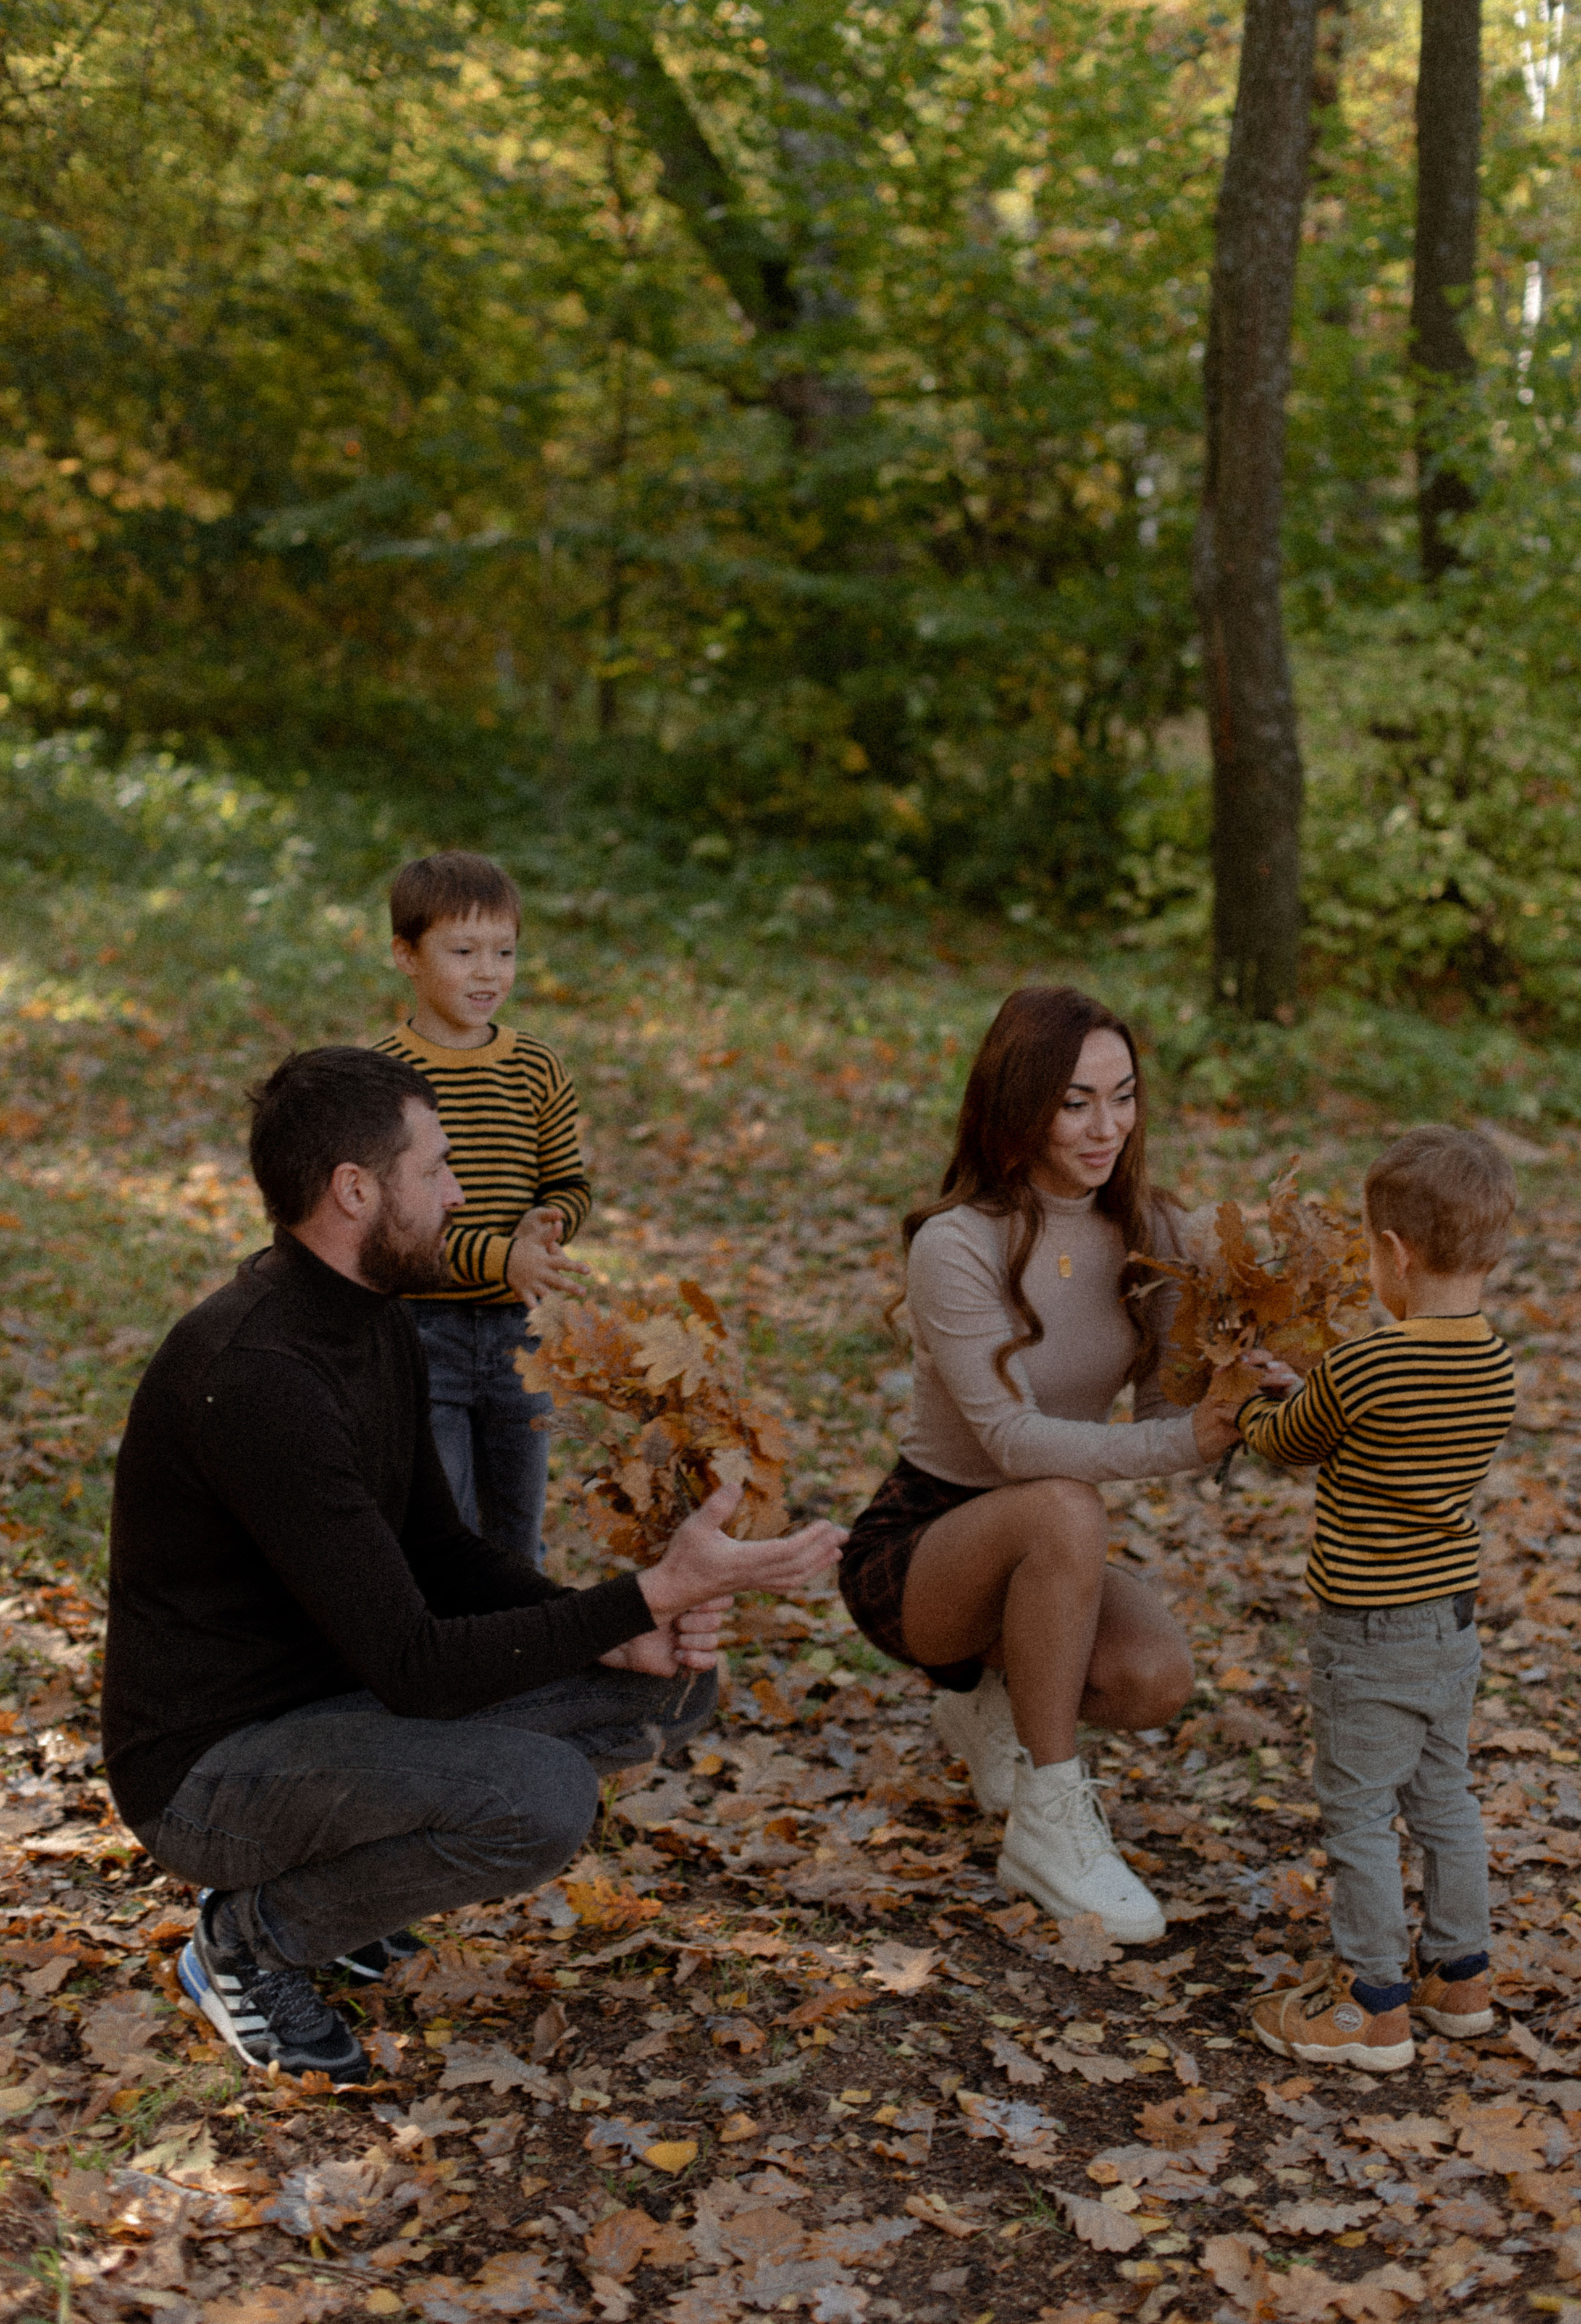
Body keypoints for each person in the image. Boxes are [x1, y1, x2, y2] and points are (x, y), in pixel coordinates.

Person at [102, 1047, 845, 2083]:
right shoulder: (260, 1379)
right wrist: (642, 1593)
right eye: (436, 1169)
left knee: (673, 1686)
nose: (460, 1195)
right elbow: (416, 1664)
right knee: (538, 1800)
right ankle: (252, 1940)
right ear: (355, 1191)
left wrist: (624, 1628)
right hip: (211, 1770)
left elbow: (440, 1553)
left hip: (337, 1705)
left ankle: (348, 1895)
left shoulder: (377, 1322)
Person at [840, 986, 1243, 1943]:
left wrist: (1242, 1390)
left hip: (1052, 1549)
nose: (1107, 1127)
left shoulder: (1158, 1235)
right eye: (1075, 1102)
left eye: (1123, 1096)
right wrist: (1184, 1442)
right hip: (925, 1546)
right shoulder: (957, 1244)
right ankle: (1050, 1823)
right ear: (1019, 1104)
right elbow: (1014, 1445)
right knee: (1061, 1501)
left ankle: (988, 1700)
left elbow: (1162, 1414)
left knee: (1153, 1680)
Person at [1239, 1125, 1517, 2073]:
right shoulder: (1494, 1367)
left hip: (1367, 1632)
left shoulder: (1367, 1366)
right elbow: (1381, 1421)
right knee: (1445, 1799)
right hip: (1450, 1625)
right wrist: (1307, 1392)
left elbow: (1289, 1441)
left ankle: (1371, 2001)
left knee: (1358, 1810)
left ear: (1394, 1255)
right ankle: (1461, 1974)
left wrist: (1249, 1403)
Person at [373, 850, 586, 1567]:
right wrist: (505, 1255)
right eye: (463, 952)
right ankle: (443, 1665)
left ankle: (520, 1668)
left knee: (517, 1533)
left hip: (519, 1333)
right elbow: (402, 1223)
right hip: (421, 1329)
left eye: (505, 952)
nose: (489, 972)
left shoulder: (536, 1067)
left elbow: (569, 1182)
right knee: (444, 1531)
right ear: (406, 955)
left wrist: (548, 1224)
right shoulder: (387, 1080)